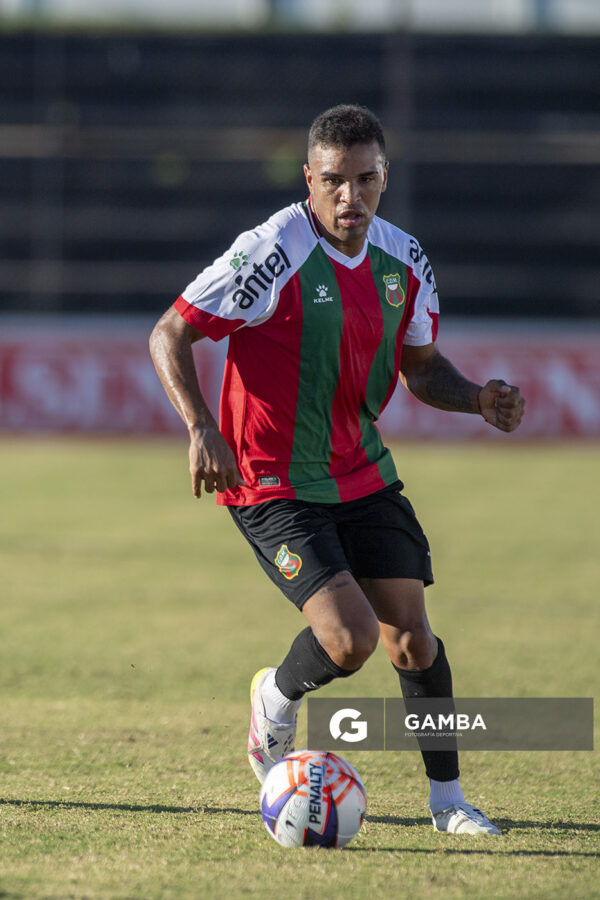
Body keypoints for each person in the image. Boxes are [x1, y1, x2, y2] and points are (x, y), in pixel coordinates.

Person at [149, 104, 525, 835]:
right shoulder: (271, 251)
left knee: (412, 636)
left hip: (359, 468)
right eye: (334, 182)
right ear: (309, 181)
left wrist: (477, 397)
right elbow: (171, 332)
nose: (350, 196)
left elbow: (420, 370)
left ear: (385, 176)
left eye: (365, 179)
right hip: (270, 477)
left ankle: (448, 804)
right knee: (348, 641)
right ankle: (276, 703)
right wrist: (200, 426)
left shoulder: (405, 261)